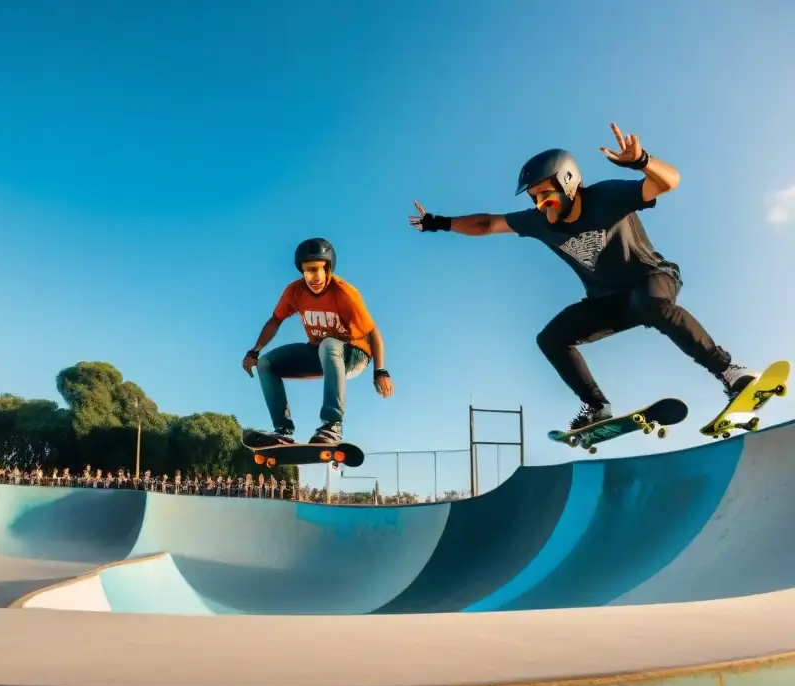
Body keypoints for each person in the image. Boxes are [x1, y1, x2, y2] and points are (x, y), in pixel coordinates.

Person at [409, 122, 759, 431]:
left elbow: (670, 182)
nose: (540, 206)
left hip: (653, 278)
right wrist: (439, 223)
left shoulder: (607, 197)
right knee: (551, 338)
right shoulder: (537, 222)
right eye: (534, 199)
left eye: (545, 195)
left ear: (568, 183)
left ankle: (730, 372)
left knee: (650, 302)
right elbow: (488, 223)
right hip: (608, 302)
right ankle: (597, 407)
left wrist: (642, 162)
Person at [242, 237, 394, 444]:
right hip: (321, 352)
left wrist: (381, 371)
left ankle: (332, 425)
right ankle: (282, 431)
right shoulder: (294, 291)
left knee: (329, 344)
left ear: (328, 268)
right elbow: (276, 320)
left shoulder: (345, 292)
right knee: (266, 364)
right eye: (308, 271)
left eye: (317, 269)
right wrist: (254, 351)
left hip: (355, 354)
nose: (314, 277)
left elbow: (373, 333)